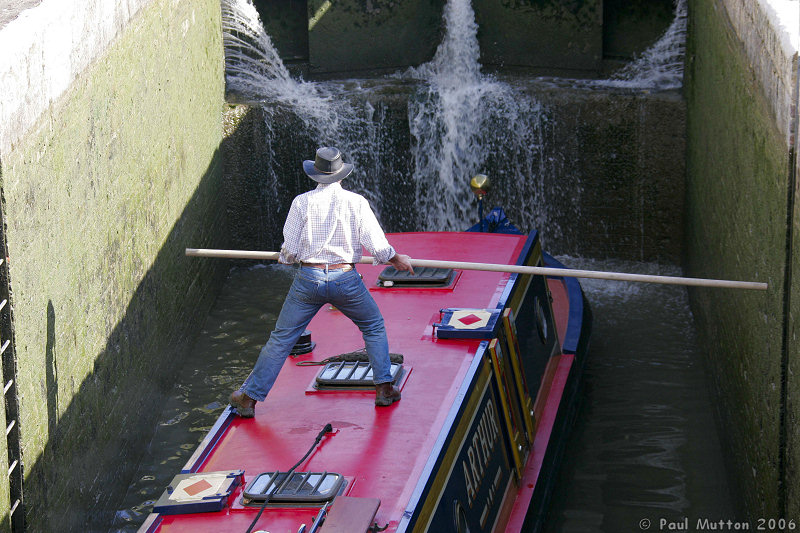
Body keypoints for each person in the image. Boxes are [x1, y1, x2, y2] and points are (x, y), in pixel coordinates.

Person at [229, 147, 414, 417]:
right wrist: (396, 259)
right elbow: (378, 247)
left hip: (309, 280)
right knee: (373, 326)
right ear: (341, 175)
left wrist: (286, 257)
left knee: (281, 340)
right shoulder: (357, 202)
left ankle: (248, 399)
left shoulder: (301, 203)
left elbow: (290, 251)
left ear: (316, 174)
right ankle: (384, 389)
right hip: (346, 278)